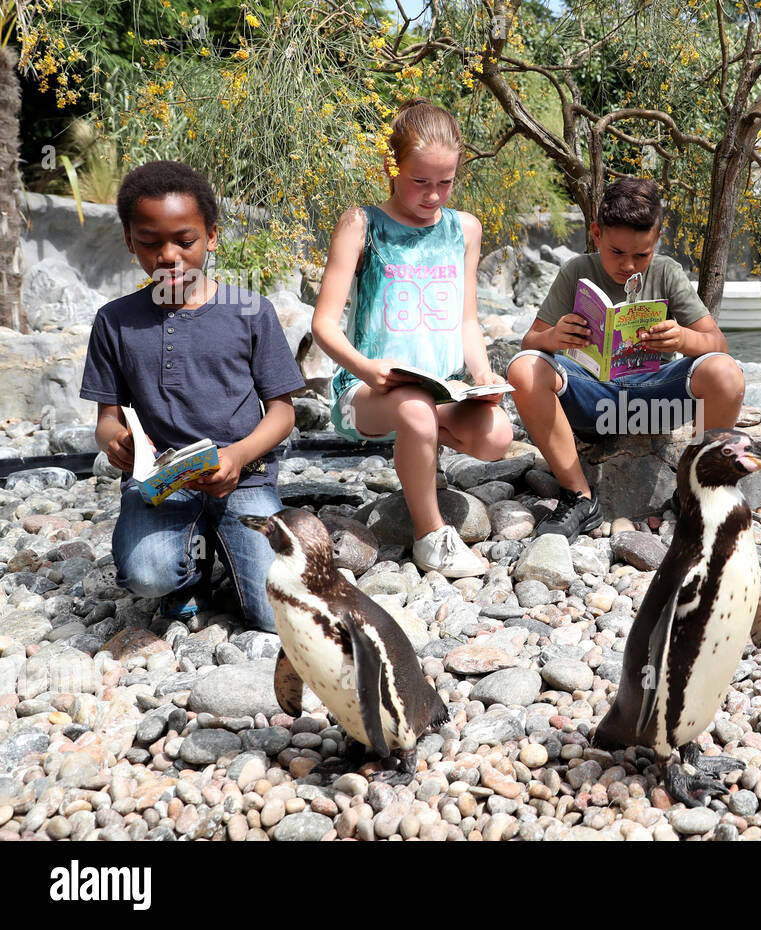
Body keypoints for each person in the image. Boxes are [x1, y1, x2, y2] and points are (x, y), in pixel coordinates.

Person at [81, 160, 304, 631]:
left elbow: (283, 412)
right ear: (128, 240)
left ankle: (223, 543)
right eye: (149, 242)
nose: (169, 256)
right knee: (146, 576)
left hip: (245, 478)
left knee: (272, 617)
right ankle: (191, 573)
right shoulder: (115, 321)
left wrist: (237, 456)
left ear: (212, 236)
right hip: (163, 485)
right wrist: (115, 442)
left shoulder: (250, 311)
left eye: (185, 241)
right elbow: (107, 418)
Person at [313, 99, 512, 577]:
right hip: (368, 392)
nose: (434, 195)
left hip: (441, 386)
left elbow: (466, 320)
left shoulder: (464, 229)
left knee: (498, 437)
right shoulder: (362, 224)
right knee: (415, 412)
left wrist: (483, 374)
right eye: (420, 181)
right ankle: (431, 537)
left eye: (445, 182)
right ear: (391, 165)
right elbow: (323, 324)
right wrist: (366, 369)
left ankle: (416, 457)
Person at [507, 178, 745, 541]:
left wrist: (684, 338)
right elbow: (530, 342)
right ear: (597, 233)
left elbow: (718, 344)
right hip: (592, 399)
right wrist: (554, 337)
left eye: (641, 255)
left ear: (658, 238)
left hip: (656, 399)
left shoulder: (666, 272)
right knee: (523, 368)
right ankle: (580, 498)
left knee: (725, 373)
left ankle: (695, 492)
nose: (628, 265)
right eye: (617, 252)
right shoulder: (576, 271)